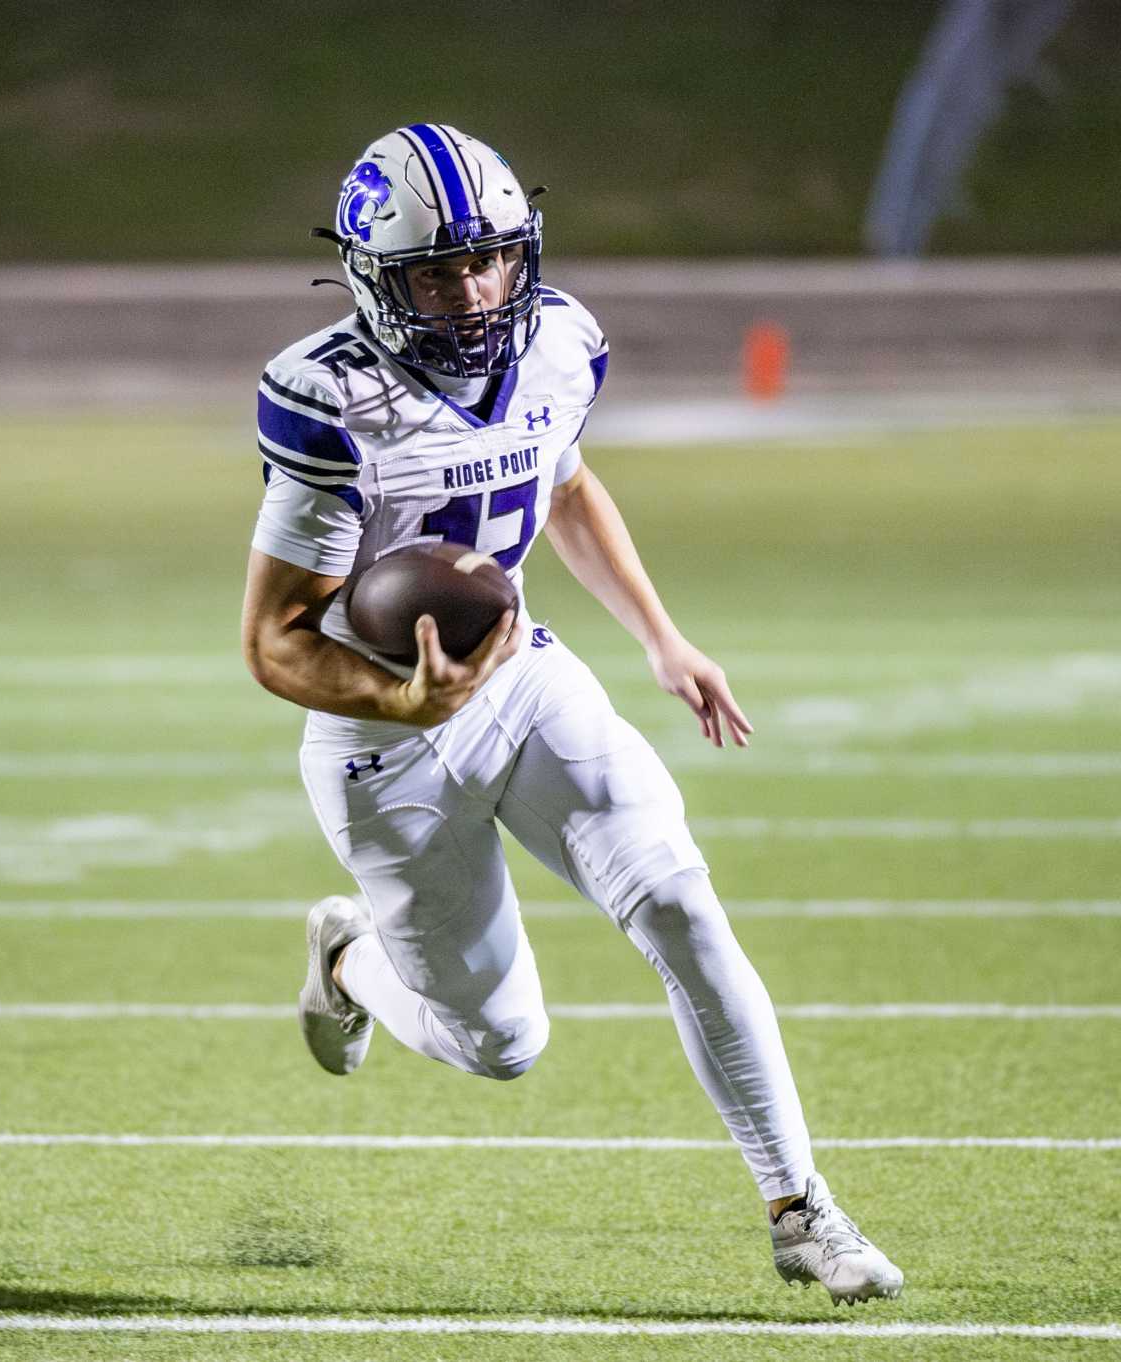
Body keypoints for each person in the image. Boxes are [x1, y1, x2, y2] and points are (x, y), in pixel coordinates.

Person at [239, 123, 903, 1303]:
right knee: (502, 1047)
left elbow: (564, 483)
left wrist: (659, 634)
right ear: (370, 277)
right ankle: (347, 962)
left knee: (684, 909)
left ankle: (802, 1211)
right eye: (435, 272)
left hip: (523, 678)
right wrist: (400, 693)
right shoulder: (328, 399)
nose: (472, 291)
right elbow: (272, 639)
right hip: (381, 747)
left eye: (488, 260)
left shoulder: (559, 344)